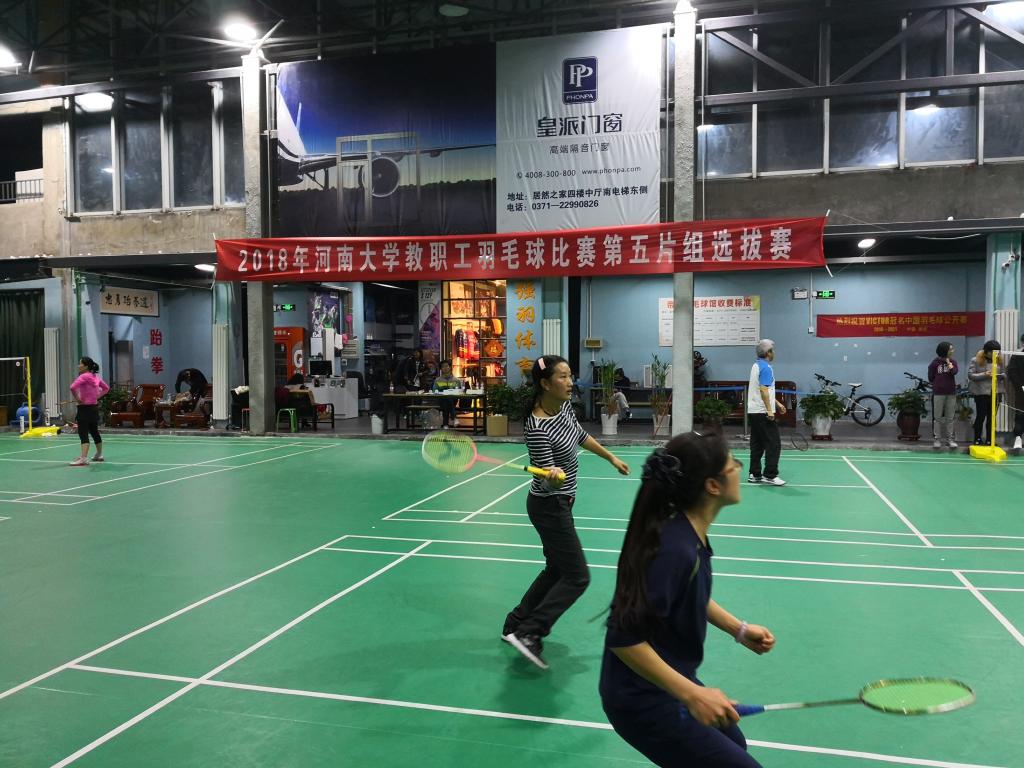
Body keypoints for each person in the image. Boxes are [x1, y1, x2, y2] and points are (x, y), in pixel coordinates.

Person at [600, 433, 775, 767]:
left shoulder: (689, 536)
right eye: (734, 465)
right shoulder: (675, 549)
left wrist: (738, 629)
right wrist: (693, 694)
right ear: (713, 486)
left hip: (669, 680)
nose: (739, 469)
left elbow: (687, 591)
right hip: (641, 699)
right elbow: (623, 638)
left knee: (735, 742)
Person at [503, 355, 630, 669]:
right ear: (545, 384)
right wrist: (552, 475)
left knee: (557, 569)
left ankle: (514, 624)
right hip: (549, 505)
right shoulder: (536, 426)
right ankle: (530, 632)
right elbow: (546, 480)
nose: (570, 382)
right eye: (563, 377)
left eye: (570, 375)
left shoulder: (563, 409)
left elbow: (580, 436)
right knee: (577, 576)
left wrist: (610, 458)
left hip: (562, 502)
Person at [746, 339, 787, 486]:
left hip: (753, 411)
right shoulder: (766, 368)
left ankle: (754, 473)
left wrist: (777, 403)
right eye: (772, 350)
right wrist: (770, 410)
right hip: (763, 412)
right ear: (768, 353)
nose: (774, 353)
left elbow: (764, 390)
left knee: (757, 443)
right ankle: (770, 475)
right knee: (774, 443)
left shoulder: (756, 365)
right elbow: (763, 390)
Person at [69, 356, 110, 466]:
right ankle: (99, 454)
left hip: (84, 409)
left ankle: (83, 458)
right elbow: (106, 388)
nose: (78, 366)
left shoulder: (83, 376)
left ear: (86, 366)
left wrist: (78, 398)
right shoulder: (95, 376)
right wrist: (97, 396)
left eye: (80, 364)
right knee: (94, 431)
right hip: (94, 408)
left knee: (83, 433)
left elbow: (72, 387)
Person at [966, 340, 1005, 446]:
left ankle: (990, 439)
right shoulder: (975, 360)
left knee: (992, 417)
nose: (995, 355)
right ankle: (977, 438)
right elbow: (971, 375)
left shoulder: (999, 360)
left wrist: (1002, 376)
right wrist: (985, 374)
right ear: (986, 351)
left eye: (997, 352)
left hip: (996, 392)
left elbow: (1004, 374)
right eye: (992, 352)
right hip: (981, 393)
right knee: (981, 416)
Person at [928, 341, 959, 450]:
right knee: (937, 417)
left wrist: (950, 365)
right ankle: (937, 439)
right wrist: (938, 384)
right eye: (951, 349)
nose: (953, 351)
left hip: (951, 393)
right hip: (938, 393)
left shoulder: (953, 361)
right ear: (944, 351)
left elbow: (954, 372)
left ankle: (950, 439)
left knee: (950, 417)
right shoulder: (934, 363)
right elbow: (931, 377)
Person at [431, 359, 460, 427]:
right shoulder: (438, 380)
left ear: (450, 367)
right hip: (441, 399)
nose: (445, 368)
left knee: (448, 399)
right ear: (441, 369)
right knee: (446, 399)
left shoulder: (456, 380)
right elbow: (434, 391)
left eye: (447, 366)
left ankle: (445, 424)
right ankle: (454, 418)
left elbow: (459, 391)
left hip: (453, 399)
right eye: (443, 366)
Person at [1007, 344, 1024, 456]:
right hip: (1021, 391)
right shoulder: (1017, 355)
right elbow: (1012, 372)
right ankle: (1018, 438)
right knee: (1020, 414)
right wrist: (1020, 385)